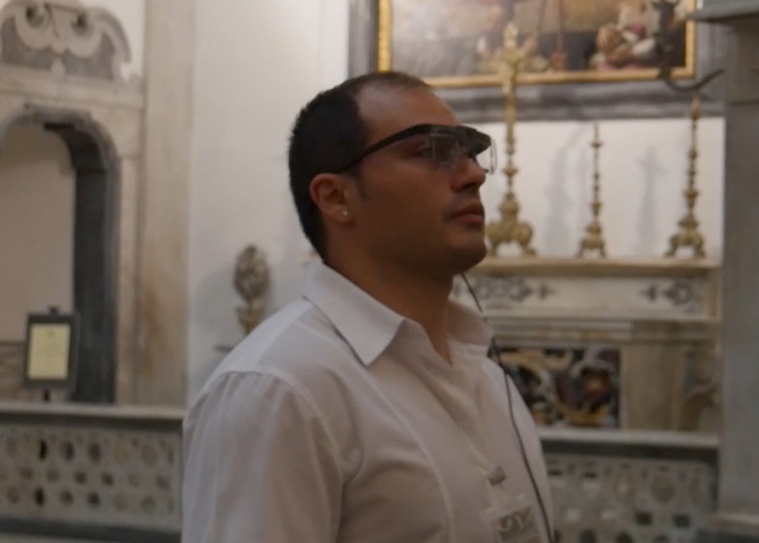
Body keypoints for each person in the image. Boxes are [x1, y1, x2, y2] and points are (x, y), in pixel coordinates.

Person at [182, 71, 554, 542]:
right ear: (336, 196)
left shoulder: (486, 376)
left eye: (470, 151)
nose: (474, 174)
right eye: (430, 151)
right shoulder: (279, 390)